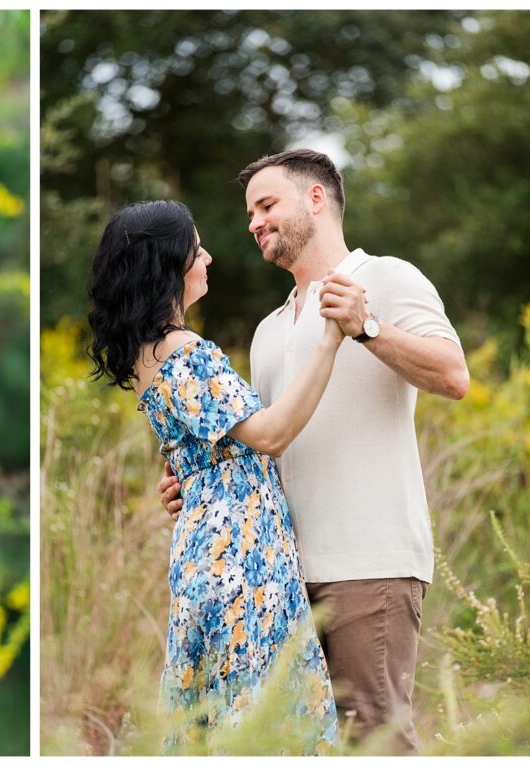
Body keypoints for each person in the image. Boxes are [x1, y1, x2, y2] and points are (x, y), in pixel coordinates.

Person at [157, 149, 469, 751]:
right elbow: (265, 438)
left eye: (267, 205)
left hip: (365, 562)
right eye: (251, 212)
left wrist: (367, 327)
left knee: (376, 741)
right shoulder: (269, 329)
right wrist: (197, 480)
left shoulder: (387, 278)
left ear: (316, 199)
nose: (253, 223)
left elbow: (454, 377)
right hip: (277, 578)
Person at [87, 200, 343, 753]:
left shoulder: (147, 353)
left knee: (223, 699)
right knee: (259, 706)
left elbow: (194, 449)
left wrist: (187, 478)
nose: (207, 256)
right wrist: (332, 340)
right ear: (171, 265)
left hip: (206, 541)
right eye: (196, 247)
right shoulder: (186, 351)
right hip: (241, 548)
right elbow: (270, 435)